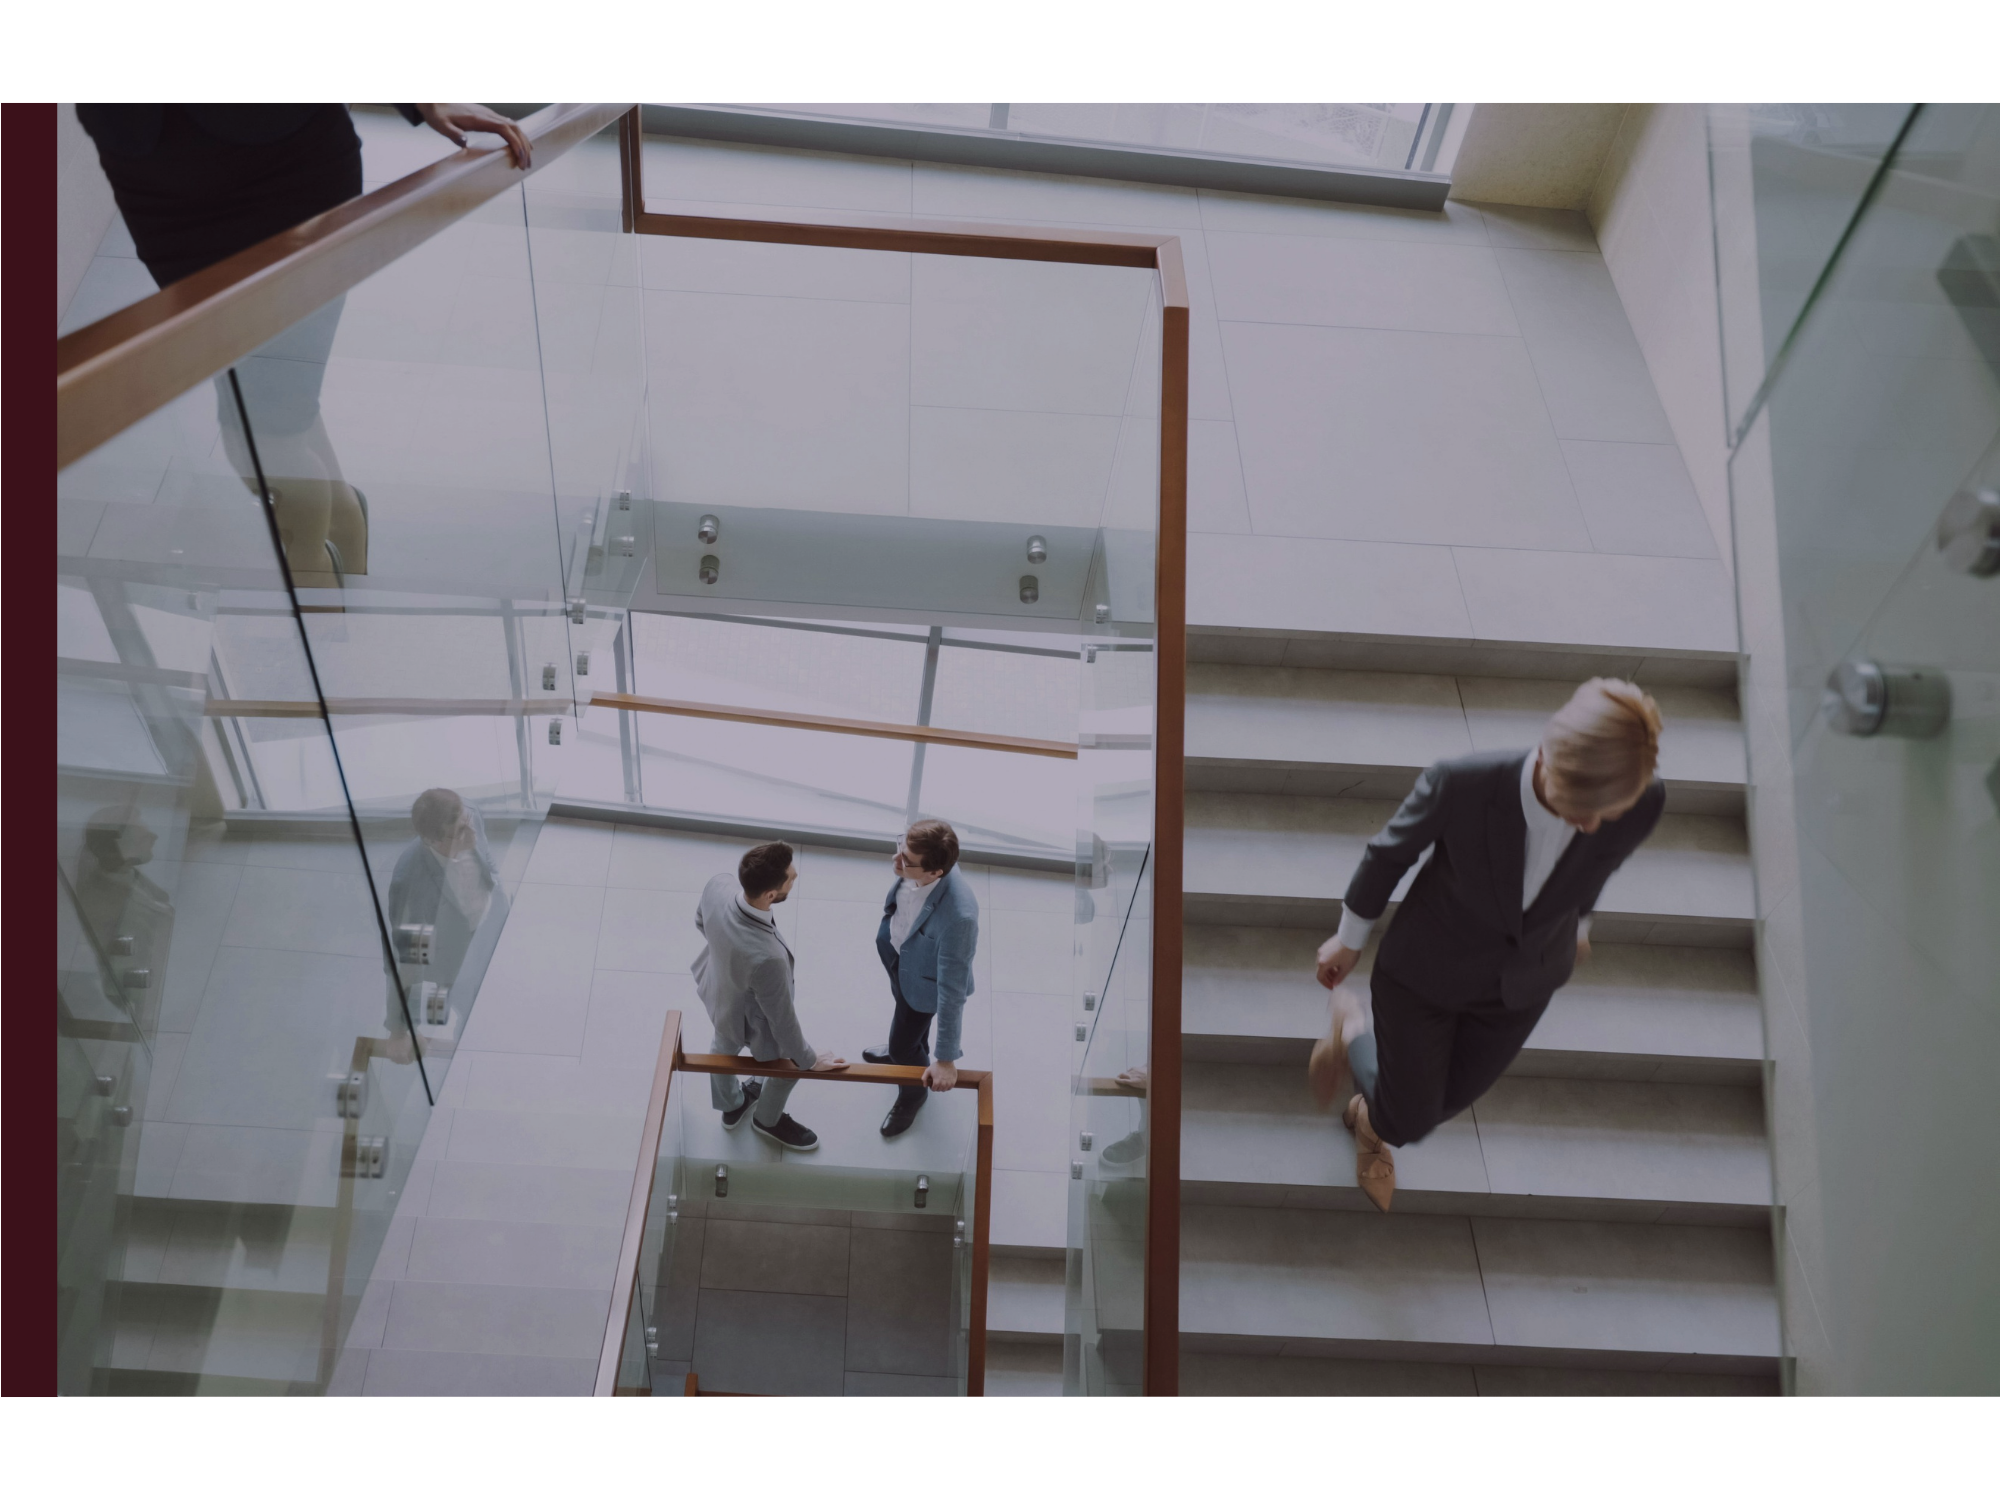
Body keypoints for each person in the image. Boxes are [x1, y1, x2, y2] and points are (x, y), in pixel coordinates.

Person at [75, 103, 531, 589]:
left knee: (261, 440)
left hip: (286, 166)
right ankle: (345, 528)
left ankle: (317, 590)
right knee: (276, 403)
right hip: (154, 182)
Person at [1308, 679, 1667, 1211]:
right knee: (1408, 1119)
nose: (1592, 824)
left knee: (1443, 1102)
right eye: (1579, 809)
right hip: (1427, 972)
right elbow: (1388, 855)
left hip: (1523, 982)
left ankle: (1374, 1110)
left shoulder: (1642, 801)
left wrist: (1579, 926)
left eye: (1606, 813)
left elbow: (1600, 864)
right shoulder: (1463, 784)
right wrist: (1349, 939)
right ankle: (1353, 1027)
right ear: (1548, 758)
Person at [693, 842, 846, 1151]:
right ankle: (767, 1120)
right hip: (754, 1017)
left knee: (721, 1049)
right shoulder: (768, 959)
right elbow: (782, 1021)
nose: (796, 875)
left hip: (720, 996)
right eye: (791, 877)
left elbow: (701, 921)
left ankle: (731, 1105)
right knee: (787, 1067)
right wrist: (808, 1060)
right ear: (770, 895)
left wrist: (730, 959)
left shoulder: (718, 885)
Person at [862, 820, 979, 1139]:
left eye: (906, 860)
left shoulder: (960, 918)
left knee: (902, 1045)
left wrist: (945, 1059)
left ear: (935, 872)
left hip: (924, 985)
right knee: (904, 1013)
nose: (895, 860)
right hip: (900, 956)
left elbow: (952, 991)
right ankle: (913, 1050)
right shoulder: (923, 862)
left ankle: (913, 1093)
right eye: (900, 849)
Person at [385, 788, 508, 1056]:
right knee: (468, 1007)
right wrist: (398, 1030)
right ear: (431, 839)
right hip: (456, 958)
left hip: (489, 926)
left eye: (468, 823)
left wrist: (498, 889)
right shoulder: (411, 884)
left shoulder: (468, 813)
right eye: (460, 832)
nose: (472, 834)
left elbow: (485, 856)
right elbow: (406, 963)